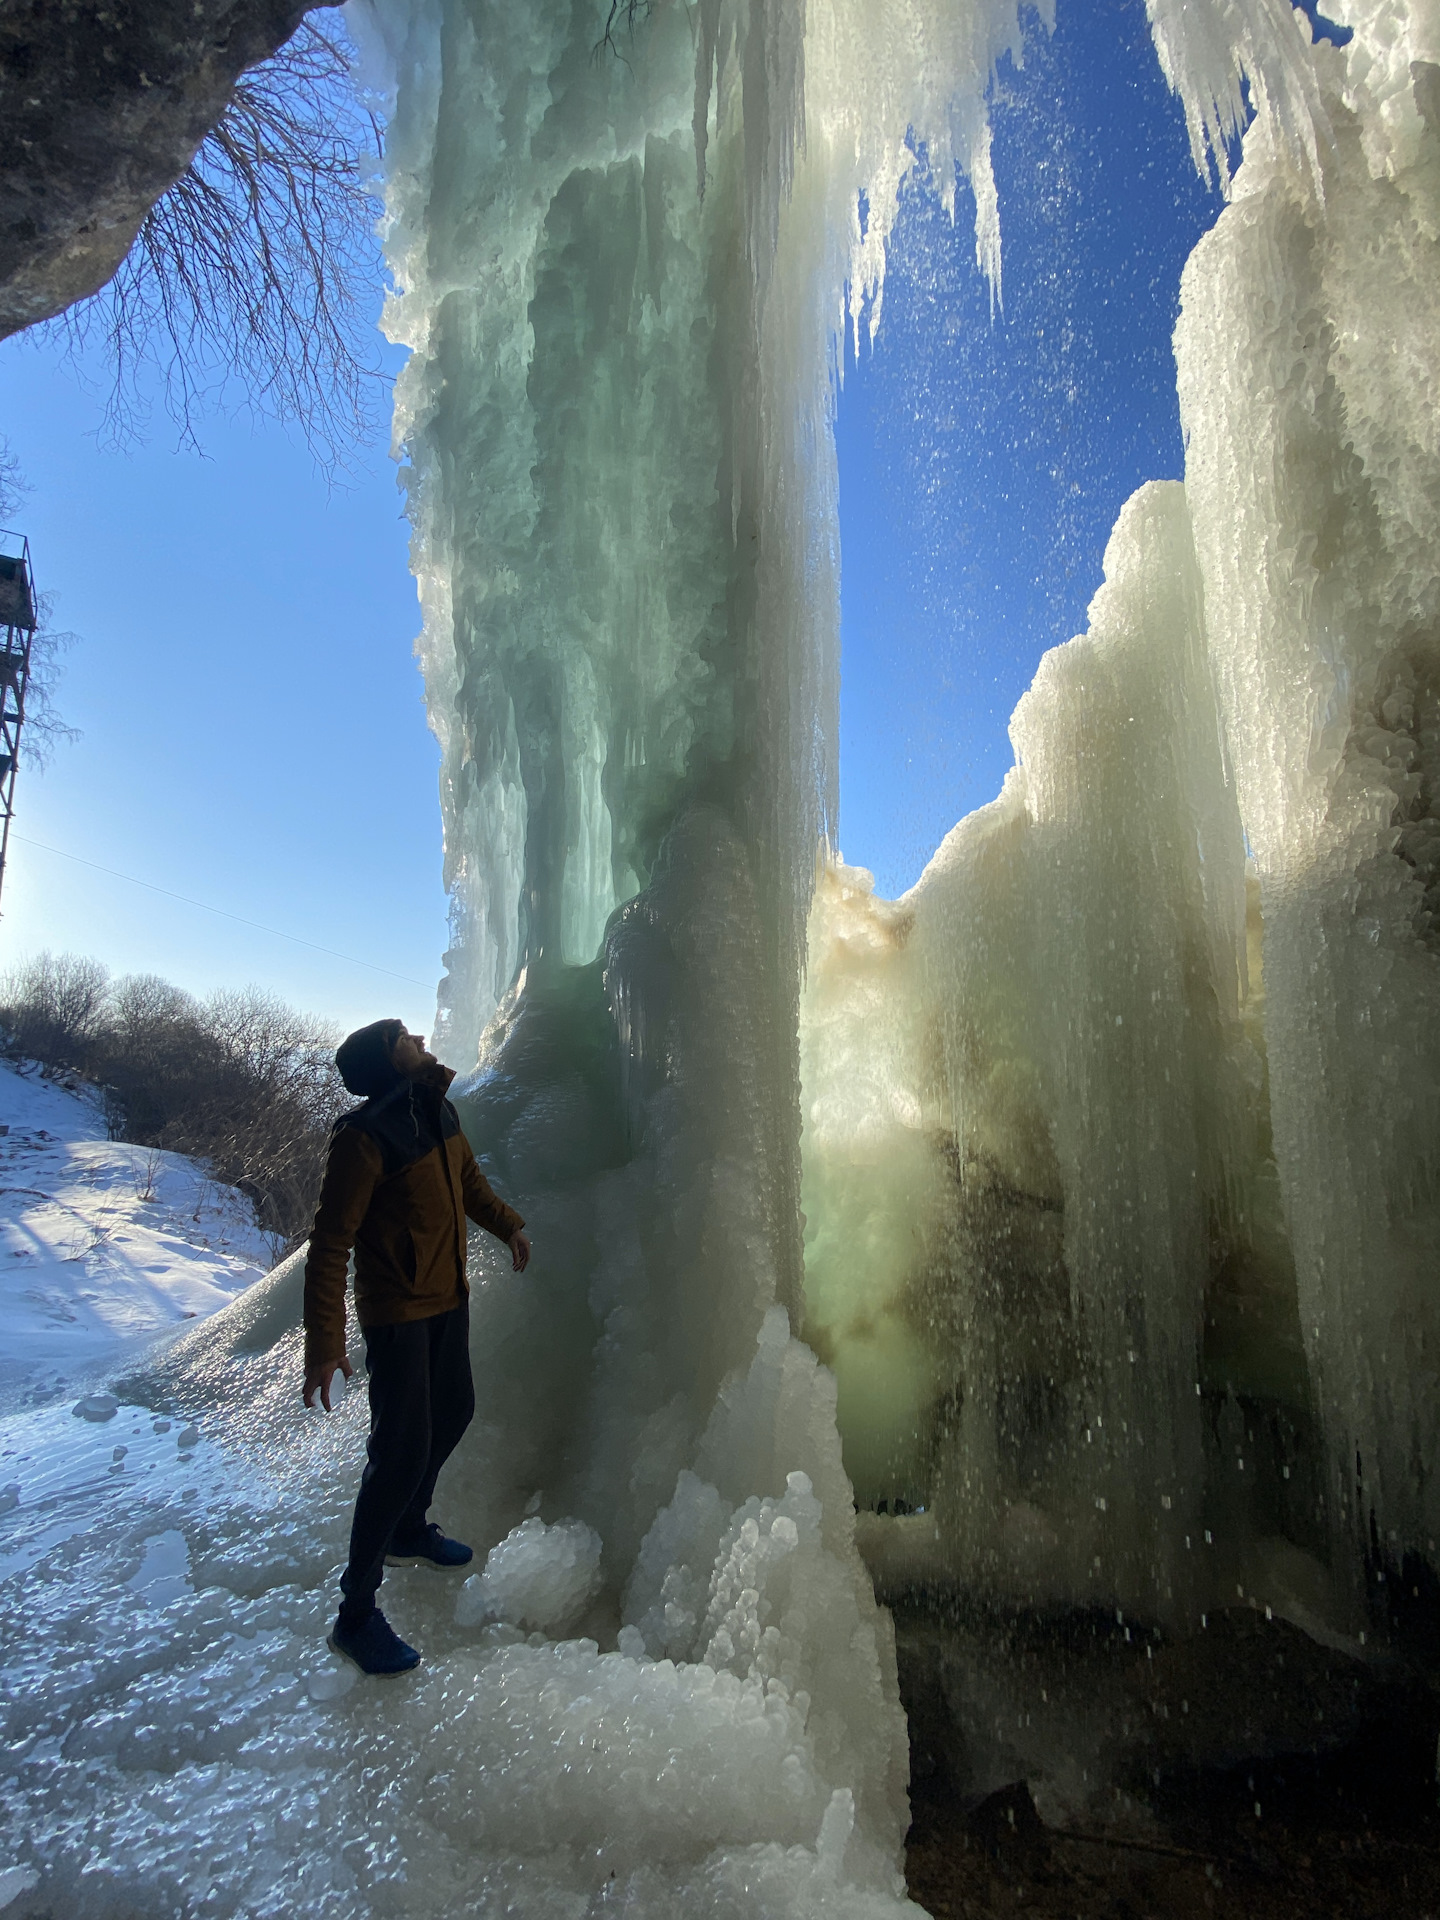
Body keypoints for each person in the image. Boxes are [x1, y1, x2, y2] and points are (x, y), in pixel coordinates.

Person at [302, 1017, 531, 1676]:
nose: (420, 1041)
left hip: (447, 1301)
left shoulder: (437, 1110)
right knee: (397, 1453)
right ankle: (355, 1616)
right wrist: (325, 1342)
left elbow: (469, 1188)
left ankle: (409, 1528)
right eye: (404, 1037)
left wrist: (508, 1227)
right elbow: (330, 1244)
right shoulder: (364, 1139)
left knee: (454, 1410)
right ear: (385, 1061)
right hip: (397, 1313)